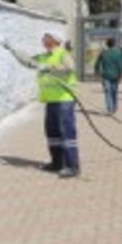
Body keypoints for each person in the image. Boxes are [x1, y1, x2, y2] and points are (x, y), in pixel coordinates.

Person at [35, 33, 80, 178]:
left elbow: (69, 68)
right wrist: (12, 50)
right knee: (52, 133)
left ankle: (72, 166)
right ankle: (57, 163)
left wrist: (49, 67)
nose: (43, 41)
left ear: (53, 40)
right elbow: (28, 62)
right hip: (51, 100)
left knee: (66, 133)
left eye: (45, 38)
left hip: (64, 100)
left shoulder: (63, 54)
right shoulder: (43, 56)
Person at [94, 37, 122, 114]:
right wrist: (121, 76)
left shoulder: (103, 53)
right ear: (114, 44)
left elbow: (97, 64)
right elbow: (120, 65)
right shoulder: (118, 53)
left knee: (107, 92)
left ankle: (109, 109)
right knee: (114, 92)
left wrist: (97, 73)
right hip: (115, 75)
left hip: (105, 75)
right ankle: (114, 107)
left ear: (107, 44)